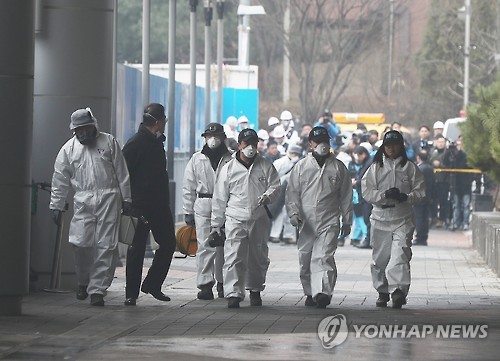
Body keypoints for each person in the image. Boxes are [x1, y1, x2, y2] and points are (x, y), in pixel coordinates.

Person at [50, 108, 131, 306]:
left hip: (109, 197)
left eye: (87, 128)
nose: (84, 133)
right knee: (80, 242)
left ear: (93, 125)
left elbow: (122, 172)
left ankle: (97, 290)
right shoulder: (68, 150)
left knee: (106, 245)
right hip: (83, 199)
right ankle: (83, 281)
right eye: (80, 130)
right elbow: (60, 179)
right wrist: (56, 205)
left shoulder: (108, 142)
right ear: (74, 131)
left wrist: (127, 199)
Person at [211, 128, 281, 308]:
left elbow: (275, 185)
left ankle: (255, 290)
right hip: (235, 216)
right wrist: (216, 224)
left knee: (257, 256)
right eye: (246, 143)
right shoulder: (229, 169)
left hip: (258, 217)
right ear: (239, 145)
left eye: (253, 144)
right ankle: (233, 293)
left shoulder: (265, 165)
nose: (250, 147)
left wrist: (268, 196)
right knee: (234, 255)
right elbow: (220, 197)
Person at [286, 126, 353, 308]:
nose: (322, 145)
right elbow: (292, 192)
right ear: (310, 144)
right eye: (318, 142)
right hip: (306, 221)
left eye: (325, 141)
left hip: (329, 218)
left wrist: (347, 220)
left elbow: (346, 195)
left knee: (323, 256)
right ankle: (309, 291)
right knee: (306, 258)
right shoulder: (301, 167)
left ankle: (323, 292)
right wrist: (293, 213)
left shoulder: (338, 168)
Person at [361, 130, 425, 309]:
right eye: (388, 145)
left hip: (402, 217)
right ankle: (382, 290)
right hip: (380, 217)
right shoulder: (375, 167)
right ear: (383, 146)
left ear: (401, 146)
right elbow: (366, 191)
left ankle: (398, 291)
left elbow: (421, 192)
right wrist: (383, 195)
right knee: (380, 258)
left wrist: (407, 197)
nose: (391, 148)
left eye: (395, 144)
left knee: (400, 254)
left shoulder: (410, 168)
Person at [122, 103, 177, 306]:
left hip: (159, 205)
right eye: (164, 120)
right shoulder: (136, 143)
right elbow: (123, 174)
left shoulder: (156, 142)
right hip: (139, 205)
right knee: (136, 249)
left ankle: (152, 284)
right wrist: (127, 202)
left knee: (169, 243)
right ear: (157, 121)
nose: (165, 123)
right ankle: (131, 294)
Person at [182, 123, 232, 300]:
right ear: (204, 138)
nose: (213, 140)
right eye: (210, 136)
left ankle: (223, 282)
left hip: (226, 206)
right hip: (203, 204)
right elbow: (189, 185)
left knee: (224, 247)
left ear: (223, 137)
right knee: (205, 246)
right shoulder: (197, 159)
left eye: (217, 136)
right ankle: (204, 284)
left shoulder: (230, 159)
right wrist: (187, 210)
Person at [269, 145, 303, 245]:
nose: (295, 156)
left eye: (297, 154)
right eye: (294, 153)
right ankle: (274, 234)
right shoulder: (280, 162)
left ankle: (289, 236)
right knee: (278, 212)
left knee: (289, 213)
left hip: (291, 190)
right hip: (279, 189)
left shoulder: (297, 164)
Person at [413, 151, 435, 245]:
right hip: (428, 196)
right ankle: (424, 237)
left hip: (419, 197)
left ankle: (419, 237)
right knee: (425, 218)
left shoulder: (419, 169)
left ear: (418, 158)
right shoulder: (430, 168)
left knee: (419, 218)